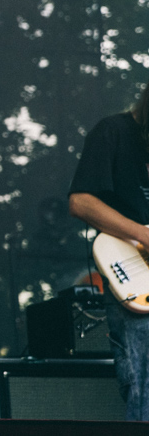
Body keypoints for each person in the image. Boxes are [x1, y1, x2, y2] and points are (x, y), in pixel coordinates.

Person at [69, 79, 149, 421]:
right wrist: (143, 235)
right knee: (143, 391)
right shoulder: (113, 132)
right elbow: (81, 201)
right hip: (133, 278)